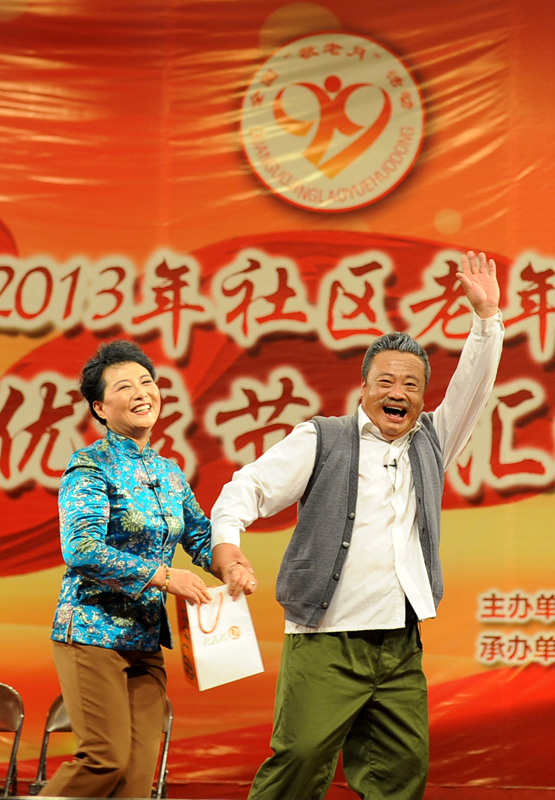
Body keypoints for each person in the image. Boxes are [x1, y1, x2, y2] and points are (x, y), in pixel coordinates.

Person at [210, 251, 504, 800]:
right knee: (298, 765)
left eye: (412, 385)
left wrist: (486, 319)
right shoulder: (321, 438)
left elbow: (471, 388)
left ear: (422, 397)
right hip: (326, 639)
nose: (399, 393)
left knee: (400, 775)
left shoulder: (432, 441)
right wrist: (227, 547)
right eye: (386, 381)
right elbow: (244, 490)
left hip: (400, 645)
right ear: (363, 387)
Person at [41, 339, 255, 799]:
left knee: (136, 780)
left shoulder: (170, 472)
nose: (142, 392)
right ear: (100, 408)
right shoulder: (89, 466)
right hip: (92, 634)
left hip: (144, 641)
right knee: (105, 759)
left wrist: (232, 564)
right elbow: (81, 549)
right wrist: (164, 577)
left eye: (147, 382)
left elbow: (201, 539)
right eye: (124, 386)